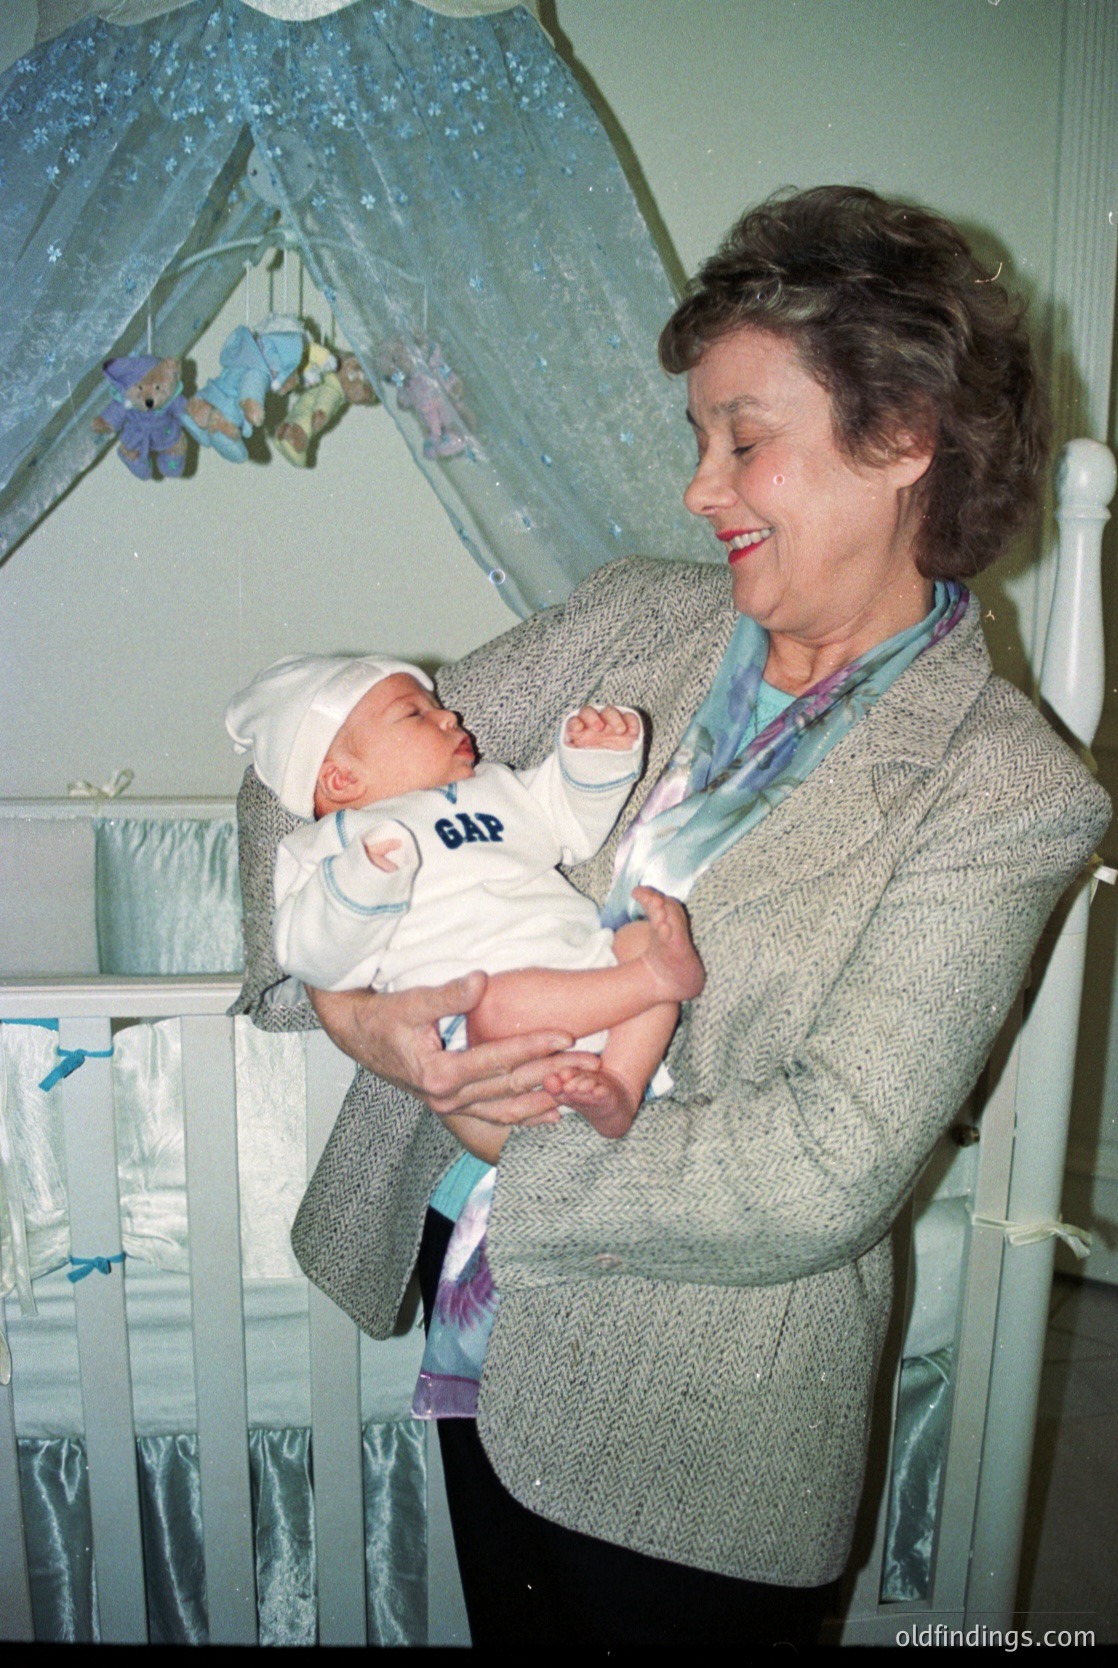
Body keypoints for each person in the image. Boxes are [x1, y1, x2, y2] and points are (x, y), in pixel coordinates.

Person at [233, 186, 1111, 1646]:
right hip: (473, 1327)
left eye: (743, 440)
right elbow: (297, 767)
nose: (700, 490)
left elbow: (828, 1164)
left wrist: (507, 1133)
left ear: (900, 437)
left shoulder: (1004, 791)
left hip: (697, 1420)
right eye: (699, 441)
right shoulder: (633, 622)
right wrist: (364, 1018)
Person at [225, 653, 703, 1156]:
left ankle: (623, 1085)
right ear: (342, 780)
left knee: (640, 935)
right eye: (415, 714)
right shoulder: (330, 847)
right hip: (487, 1036)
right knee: (497, 1002)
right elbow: (313, 958)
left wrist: (595, 759)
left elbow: (570, 822)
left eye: (439, 707)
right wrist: (359, 886)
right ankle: (654, 982)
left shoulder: (496, 787)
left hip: (590, 977)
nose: (450, 717)